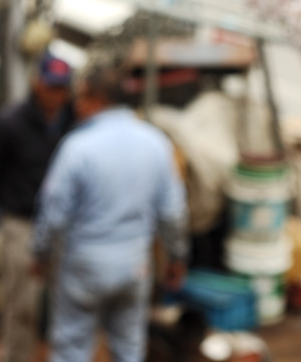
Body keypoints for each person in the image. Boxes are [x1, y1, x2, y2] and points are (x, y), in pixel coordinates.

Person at [32, 65, 189, 362]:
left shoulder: (77, 147)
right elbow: (173, 211)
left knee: (71, 350)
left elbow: (54, 212)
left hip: (84, 265)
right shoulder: (156, 143)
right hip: (134, 265)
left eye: (80, 97)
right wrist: (177, 257)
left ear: (96, 100)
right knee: (129, 348)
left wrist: (41, 254)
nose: (75, 105)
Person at [0, 51, 74, 362]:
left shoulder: (72, 123)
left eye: (61, 88)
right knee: (22, 304)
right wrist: (11, 201)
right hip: (23, 223)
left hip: (62, 227)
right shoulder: (10, 123)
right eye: (51, 87)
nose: (56, 95)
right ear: (37, 84)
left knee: (65, 303)